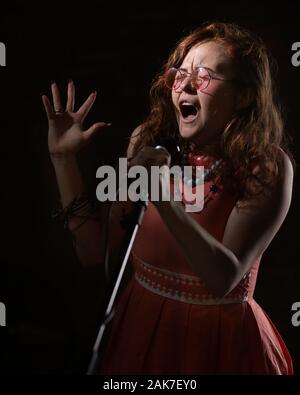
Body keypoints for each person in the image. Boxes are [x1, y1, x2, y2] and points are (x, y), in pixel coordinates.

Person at [42, 22, 294, 374]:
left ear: (243, 96)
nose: (186, 85)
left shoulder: (266, 167)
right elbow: (90, 249)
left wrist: (162, 196)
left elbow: (223, 277)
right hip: (141, 329)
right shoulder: (147, 141)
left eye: (204, 76)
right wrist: (63, 160)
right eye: (180, 74)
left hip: (220, 343)